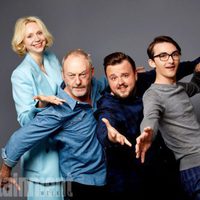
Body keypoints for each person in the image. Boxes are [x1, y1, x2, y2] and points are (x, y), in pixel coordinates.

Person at [0, 49, 108, 200]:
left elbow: (107, 82)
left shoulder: (94, 87)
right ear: (63, 75)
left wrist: (134, 75)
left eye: (82, 74)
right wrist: (6, 169)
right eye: (71, 76)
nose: (77, 81)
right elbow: (23, 137)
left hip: (105, 178)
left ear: (91, 72)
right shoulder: (58, 110)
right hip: (79, 184)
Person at [94, 52, 200, 200]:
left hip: (164, 174)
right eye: (113, 78)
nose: (120, 82)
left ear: (136, 74)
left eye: (125, 75)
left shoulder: (143, 81)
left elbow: (167, 71)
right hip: (130, 186)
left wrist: (195, 65)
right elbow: (104, 125)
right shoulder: (108, 105)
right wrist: (110, 136)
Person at [135, 36, 200, 200]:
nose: (170, 60)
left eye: (174, 54)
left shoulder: (180, 88)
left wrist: (198, 72)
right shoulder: (153, 95)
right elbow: (150, 116)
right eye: (163, 56)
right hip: (194, 168)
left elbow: (196, 86)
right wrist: (147, 133)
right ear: (152, 62)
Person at [10, 16, 65, 199]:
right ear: (22, 43)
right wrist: (41, 103)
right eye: (30, 36)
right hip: (43, 161)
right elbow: (25, 120)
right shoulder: (20, 74)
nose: (37, 39)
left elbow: (66, 91)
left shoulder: (51, 59)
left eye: (39, 32)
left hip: (65, 153)